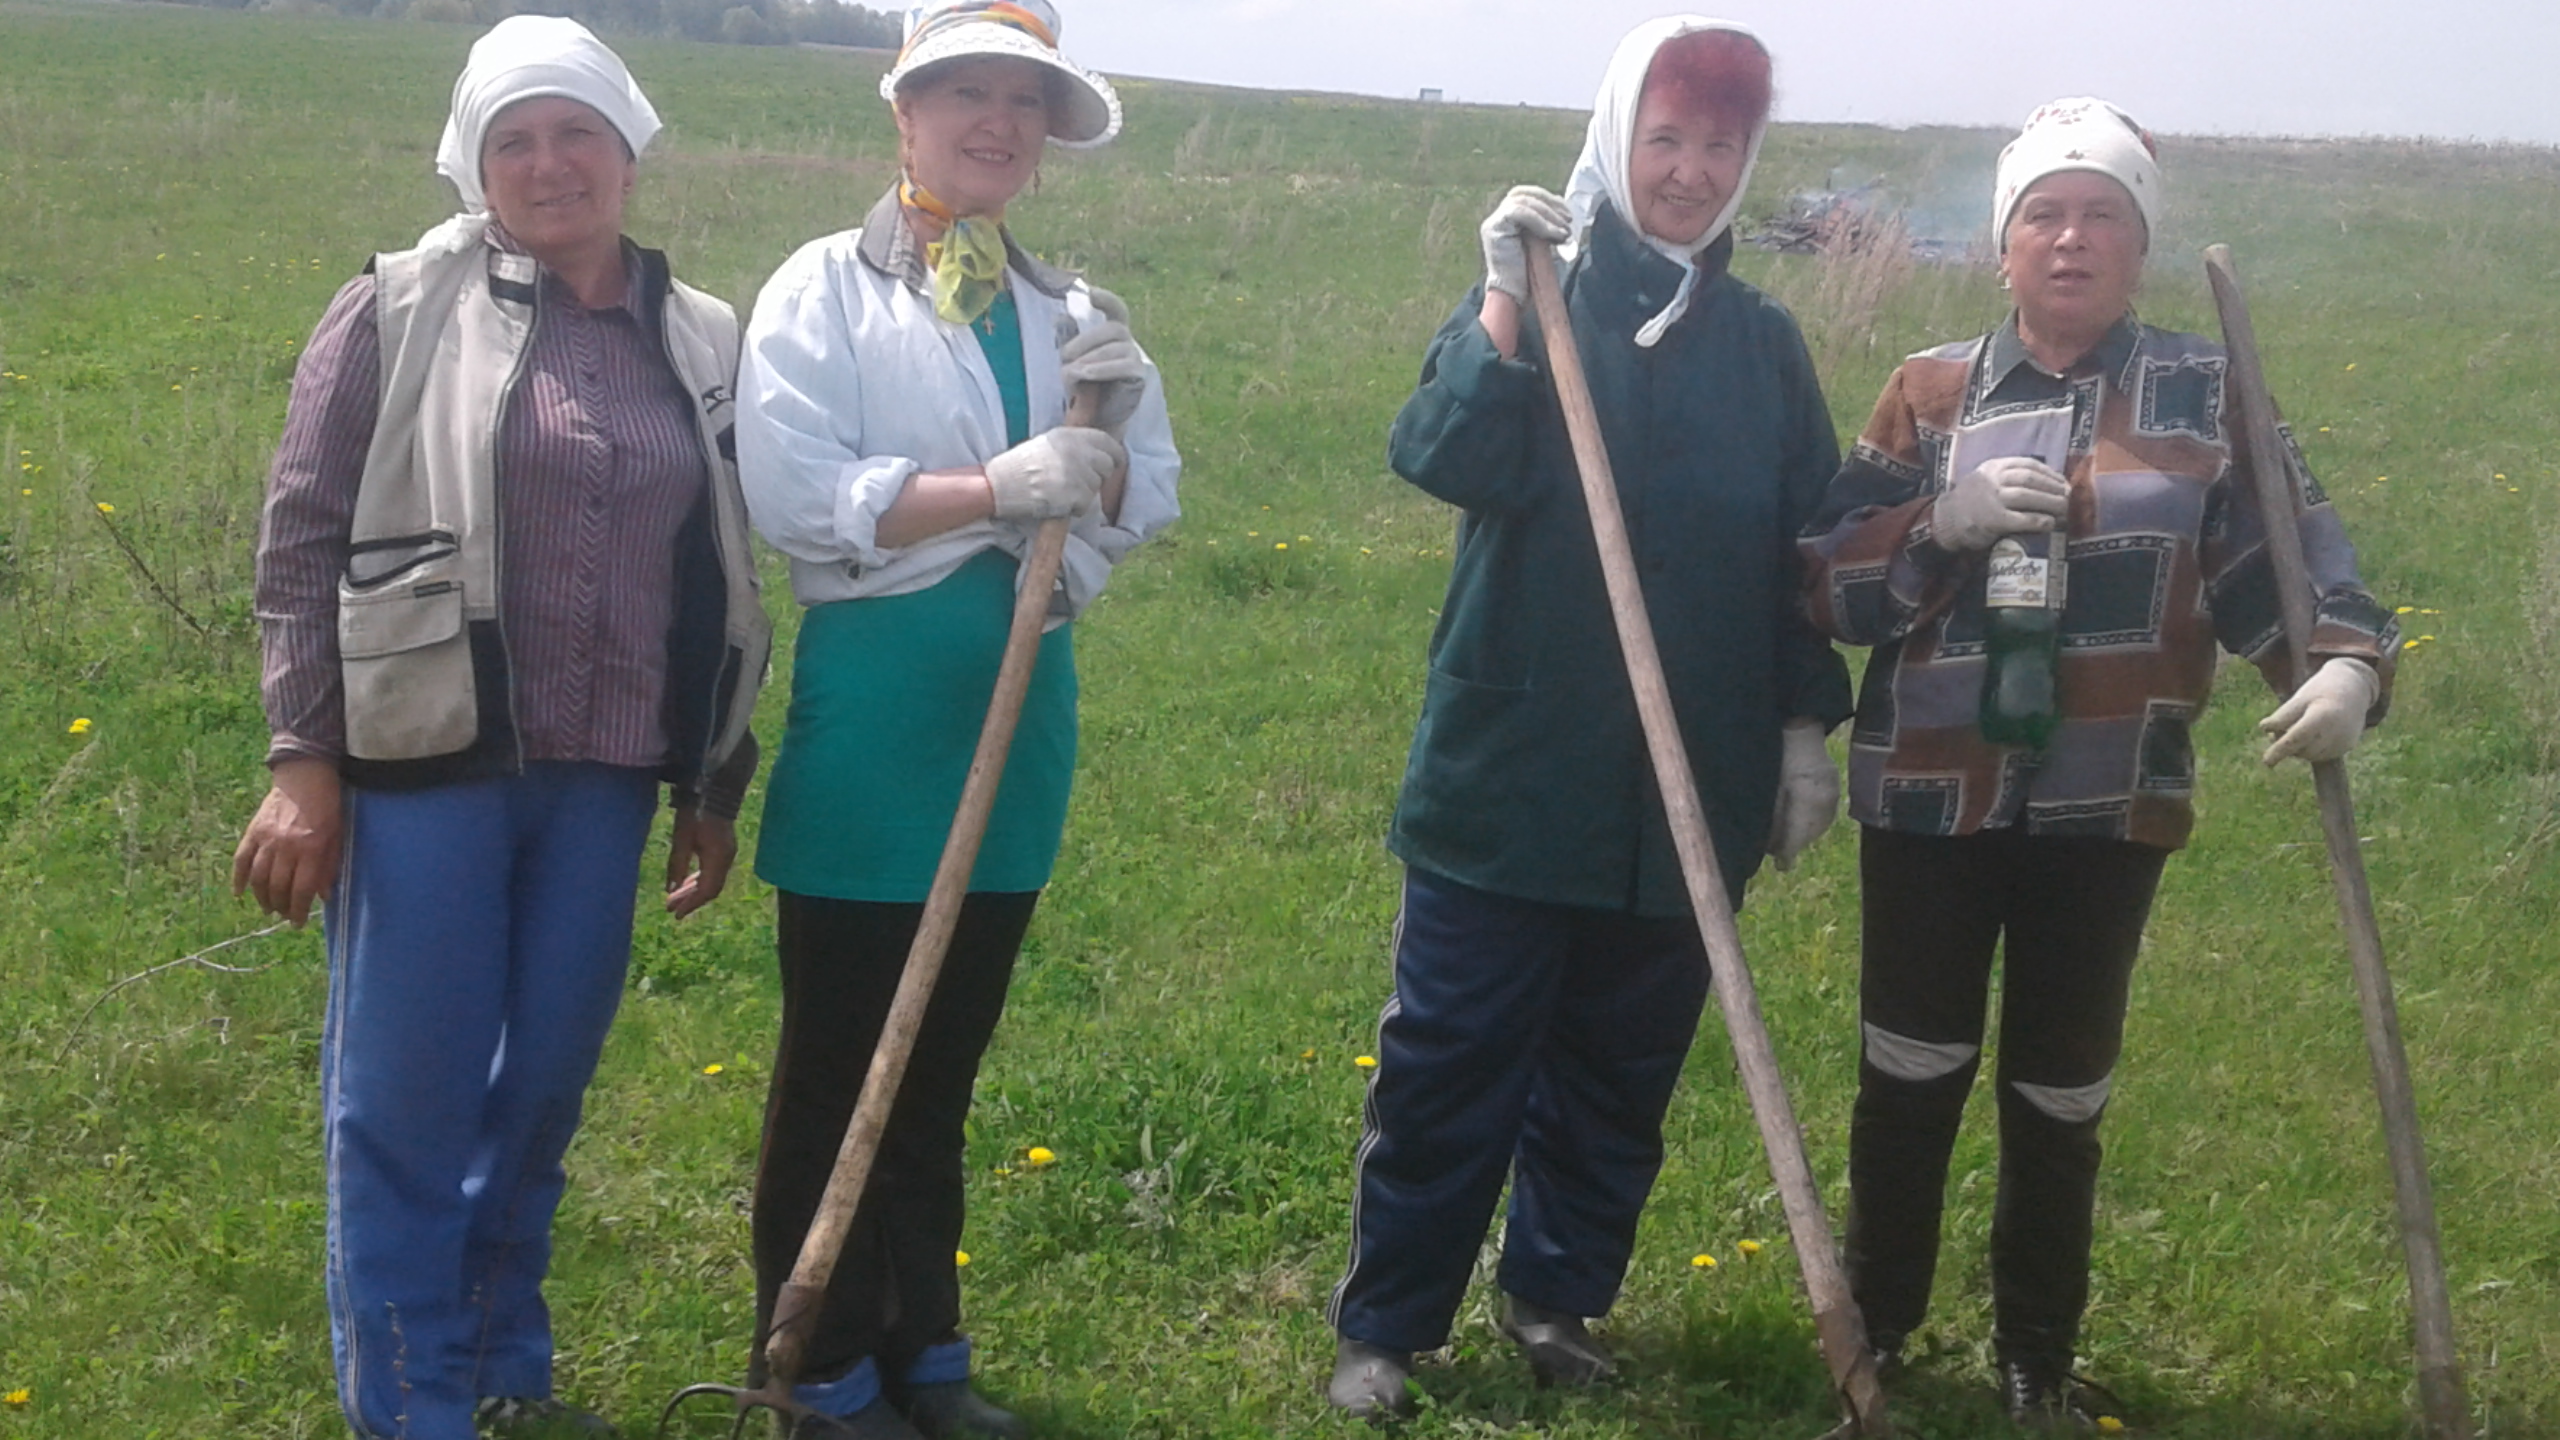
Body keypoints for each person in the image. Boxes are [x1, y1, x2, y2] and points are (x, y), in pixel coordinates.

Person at [1797, 98, 2399, 1428]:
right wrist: (1931, 526)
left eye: (2102, 217)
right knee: (1909, 1068)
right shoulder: (1928, 388)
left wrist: (2347, 664)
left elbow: (2288, 565)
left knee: (2060, 1089)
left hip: (2108, 795)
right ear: (2002, 249)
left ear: (2140, 248)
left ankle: (2034, 1355)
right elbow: (1825, 584)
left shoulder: (2205, 391)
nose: (2071, 240)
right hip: (1928, 795)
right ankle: (1876, 1332)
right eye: (2044, 217)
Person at [230, 17, 768, 1439]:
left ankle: (500, 1370)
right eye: (513, 140)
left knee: (538, 1091)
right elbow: (302, 540)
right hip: (426, 768)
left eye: (575, 131)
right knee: (404, 1103)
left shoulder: (700, 330)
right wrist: (303, 766)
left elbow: (716, 562)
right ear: (473, 164)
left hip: (602, 780)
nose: (549, 164)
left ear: (629, 147)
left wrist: (712, 779)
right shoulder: (401, 303)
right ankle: (410, 1405)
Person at [1324, 17, 1852, 1420]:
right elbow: (1440, 455)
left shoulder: (1764, 346)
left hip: (1694, 788)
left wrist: (1805, 731)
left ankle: (1555, 1298)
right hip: (1515, 772)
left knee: (1619, 1074)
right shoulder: (1542, 295)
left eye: (1719, 144)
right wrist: (1502, 300)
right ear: (1618, 140)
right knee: (1450, 1062)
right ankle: (1388, 1324)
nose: (1688, 171)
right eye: (1664, 138)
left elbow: (1804, 556)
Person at [730, 2, 1178, 1435]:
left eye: (1026, 102)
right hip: (877, 722)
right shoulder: (823, 287)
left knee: (940, 1069)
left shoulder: (1076, 319)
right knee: (844, 1062)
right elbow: (798, 493)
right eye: (967, 92)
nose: (998, 122)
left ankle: (926, 1348)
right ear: (904, 109)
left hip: (1017, 716)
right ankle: (814, 1360)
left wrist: (1074, 528)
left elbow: (1147, 485)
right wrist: (1000, 495)